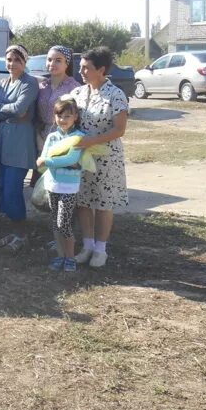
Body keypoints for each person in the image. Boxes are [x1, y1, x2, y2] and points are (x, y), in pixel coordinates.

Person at [71, 46, 129, 268]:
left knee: (103, 203)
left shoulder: (115, 95)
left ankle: (100, 249)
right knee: (83, 201)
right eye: (81, 67)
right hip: (82, 157)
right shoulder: (78, 93)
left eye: (87, 68)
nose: (82, 71)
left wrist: (91, 141)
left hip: (106, 158)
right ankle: (87, 246)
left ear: (101, 70)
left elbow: (119, 130)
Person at [0, 44, 39, 251]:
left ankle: (22, 235)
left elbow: (21, 108)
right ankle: (13, 230)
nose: (12, 64)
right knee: (2, 187)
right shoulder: (1, 83)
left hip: (20, 141)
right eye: (9, 59)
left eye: (17, 60)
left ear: (24, 62)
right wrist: (7, 111)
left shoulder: (30, 82)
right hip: (3, 139)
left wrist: (2, 109)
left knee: (12, 188)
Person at [36, 97, 86, 272]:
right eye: (59, 116)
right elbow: (44, 157)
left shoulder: (79, 137)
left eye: (67, 116)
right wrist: (57, 161)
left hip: (69, 187)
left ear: (75, 117)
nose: (63, 120)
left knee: (63, 223)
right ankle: (60, 255)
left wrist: (49, 161)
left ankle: (70, 257)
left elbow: (71, 158)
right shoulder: (52, 136)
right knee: (55, 223)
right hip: (52, 185)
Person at [36, 46, 81, 148]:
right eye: (49, 59)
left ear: (66, 64)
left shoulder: (74, 88)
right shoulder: (42, 86)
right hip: (41, 140)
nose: (52, 64)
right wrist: (38, 138)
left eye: (58, 61)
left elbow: (78, 119)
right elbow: (36, 117)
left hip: (65, 140)